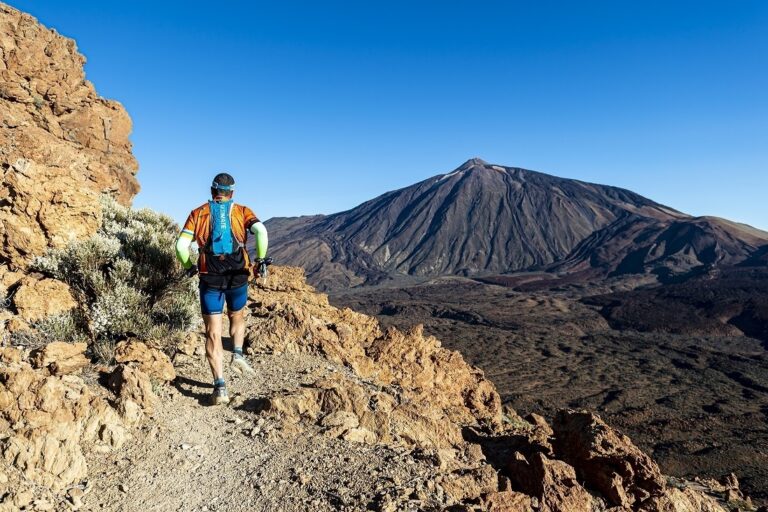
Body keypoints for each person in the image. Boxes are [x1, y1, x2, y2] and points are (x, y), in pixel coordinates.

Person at [175, 172, 269, 405]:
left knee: (212, 332)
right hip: (237, 276)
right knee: (237, 314)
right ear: (232, 193)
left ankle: (220, 386)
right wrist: (261, 260)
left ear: (211, 191)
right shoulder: (242, 211)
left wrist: (189, 265)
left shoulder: (197, 214)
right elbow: (262, 231)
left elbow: (181, 245)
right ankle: (237, 353)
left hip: (210, 278)